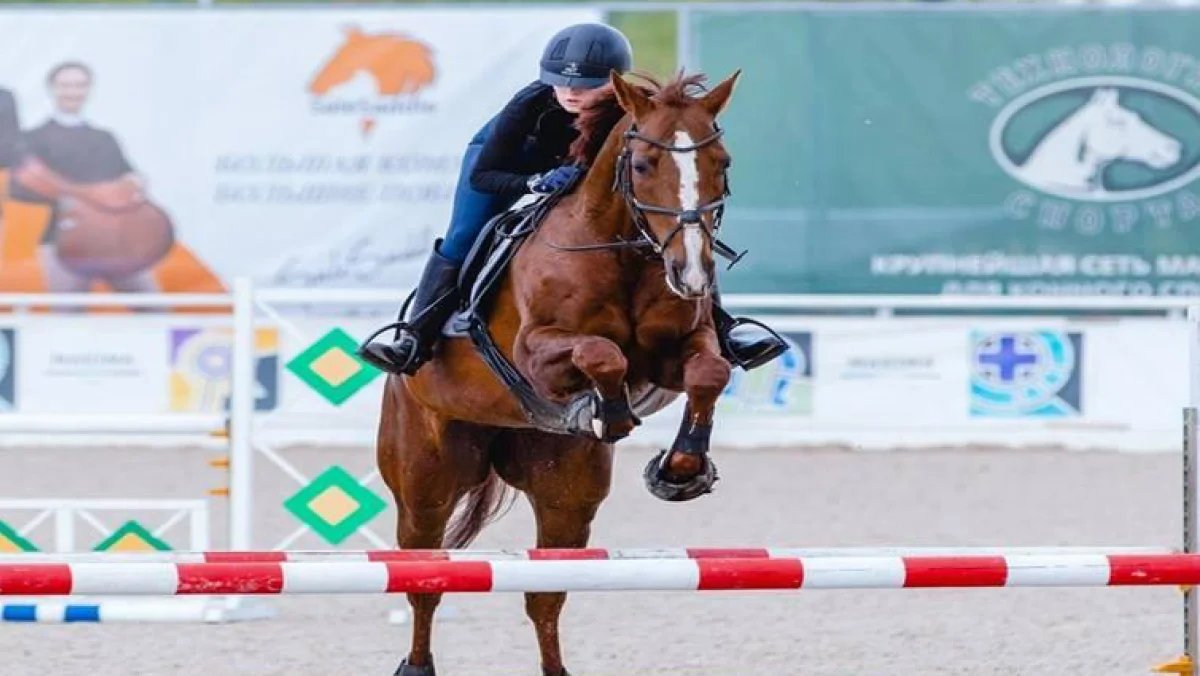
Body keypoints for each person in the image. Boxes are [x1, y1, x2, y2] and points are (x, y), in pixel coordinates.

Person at [358, 23, 787, 377]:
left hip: (577, 171)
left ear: (615, 85)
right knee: (464, 234)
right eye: (561, 81)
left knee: (681, 229)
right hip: (508, 164)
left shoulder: (633, 109)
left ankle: (724, 330)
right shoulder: (528, 107)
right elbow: (485, 176)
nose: (570, 92)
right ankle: (414, 337)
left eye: (585, 84)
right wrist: (535, 182)